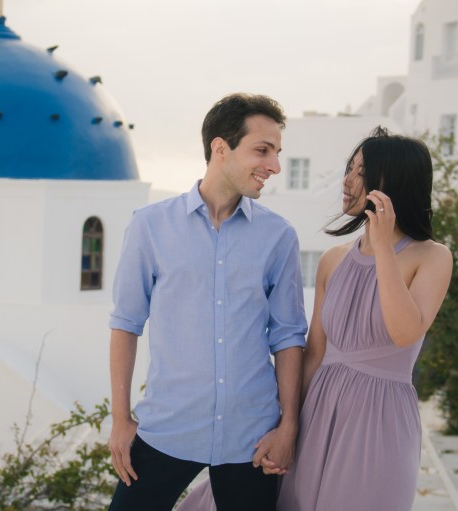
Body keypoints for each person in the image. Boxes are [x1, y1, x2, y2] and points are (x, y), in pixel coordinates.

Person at [177, 126, 453, 511]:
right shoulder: (333, 260)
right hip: (318, 410)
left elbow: (405, 332)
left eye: (362, 172)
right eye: (350, 168)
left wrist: (385, 248)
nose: (349, 180)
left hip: (380, 420)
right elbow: (314, 352)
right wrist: (286, 425)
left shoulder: (432, 256)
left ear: (395, 181)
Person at [107, 93, 307, 511]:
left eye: (277, 153)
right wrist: (121, 419)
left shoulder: (279, 236)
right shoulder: (150, 226)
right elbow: (126, 323)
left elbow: (288, 336)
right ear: (220, 148)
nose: (274, 166)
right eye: (262, 150)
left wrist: (288, 427)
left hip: (252, 439)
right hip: (166, 427)